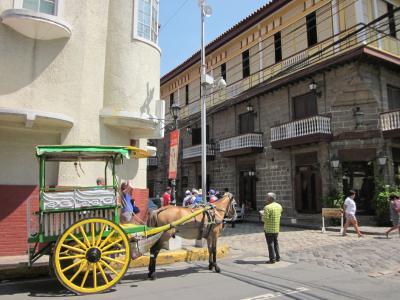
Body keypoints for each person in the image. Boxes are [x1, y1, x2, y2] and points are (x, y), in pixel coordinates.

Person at [262, 192, 283, 264]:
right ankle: (278, 257)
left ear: (270, 198)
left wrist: (262, 214)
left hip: (268, 229)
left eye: (266, 197)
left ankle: (272, 259)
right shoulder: (279, 206)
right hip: (276, 228)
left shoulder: (267, 207)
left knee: (270, 244)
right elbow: (279, 214)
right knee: (276, 243)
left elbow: (265, 219)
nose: (266, 199)